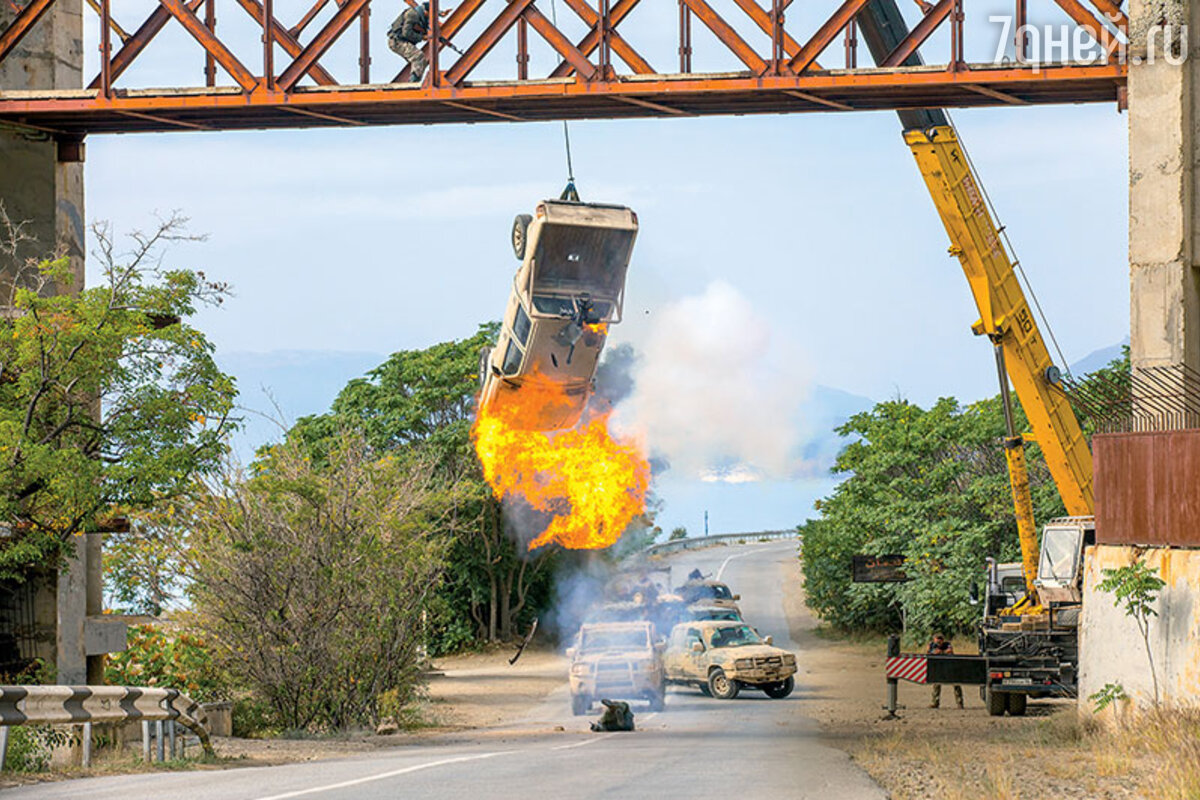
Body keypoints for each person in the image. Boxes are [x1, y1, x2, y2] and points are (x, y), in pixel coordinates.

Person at [388, 2, 448, 83]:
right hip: (397, 41)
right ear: (426, 12)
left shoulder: (421, 15)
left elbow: (431, 9)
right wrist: (422, 37)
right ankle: (412, 83)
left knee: (419, 62)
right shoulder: (412, 15)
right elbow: (406, 33)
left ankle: (413, 79)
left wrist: (441, 13)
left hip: (402, 41)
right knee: (418, 57)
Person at [928, 632, 964, 709]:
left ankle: (960, 703)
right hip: (939, 667)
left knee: (956, 684)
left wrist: (941, 652)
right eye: (937, 639)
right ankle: (935, 702)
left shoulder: (947, 644)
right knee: (936, 685)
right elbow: (930, 652)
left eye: (941, 639)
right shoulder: (932, 645)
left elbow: (949, 651)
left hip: (949, 666)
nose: (939, 641)